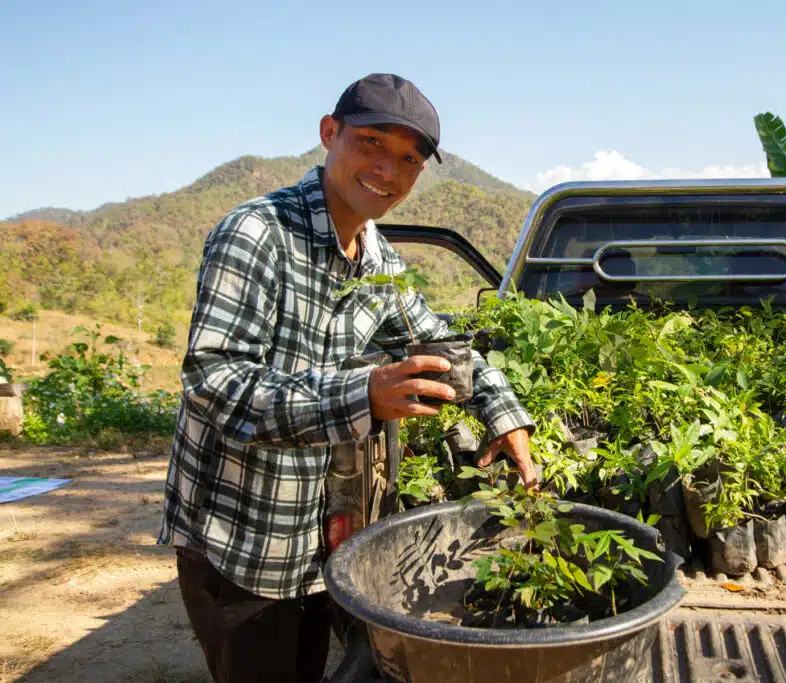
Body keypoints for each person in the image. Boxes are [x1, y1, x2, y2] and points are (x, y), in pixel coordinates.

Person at [158, 72, 538, 683]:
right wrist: (362, 394)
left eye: (409, 160)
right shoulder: (257, 235)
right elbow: (214, 381)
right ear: (329, 134)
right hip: (244, 535)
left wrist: (503, 413)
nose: (389, 171)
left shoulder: (378, 255)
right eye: (372, 145)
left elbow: (436, 339)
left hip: (319, 528)